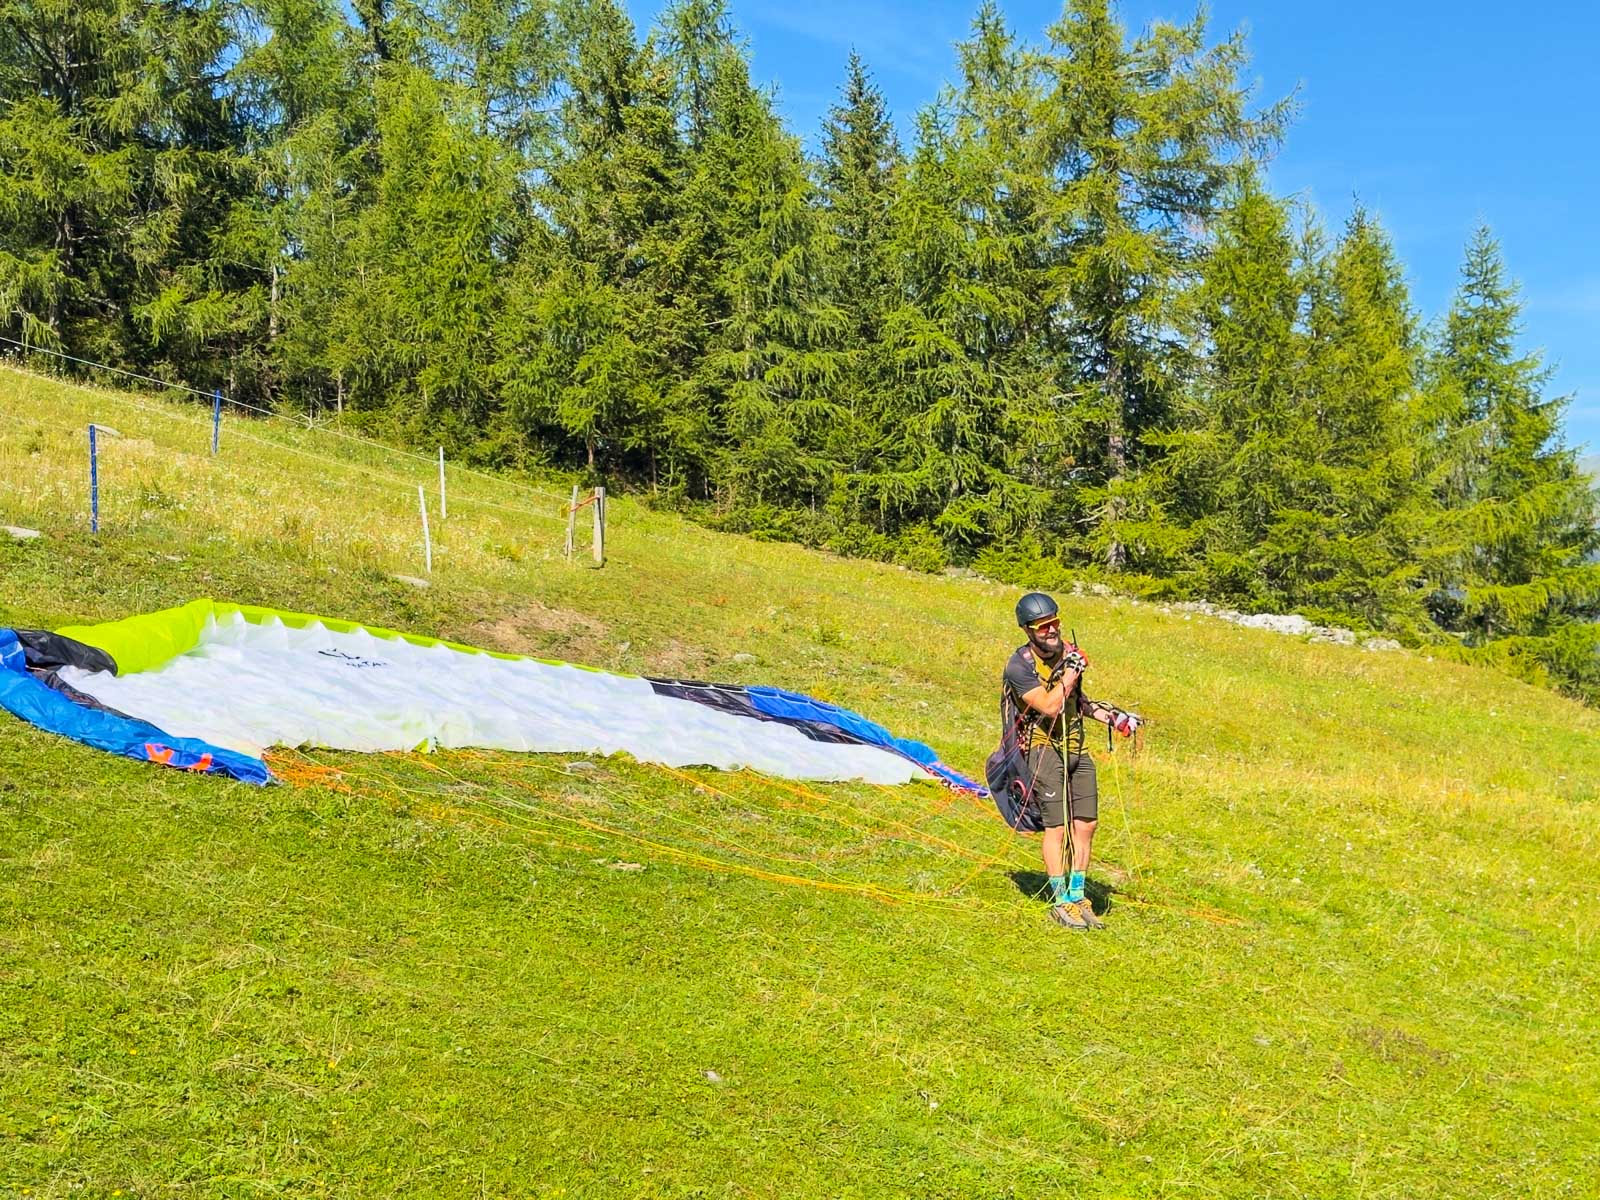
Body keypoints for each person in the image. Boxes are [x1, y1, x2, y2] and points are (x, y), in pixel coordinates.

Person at [1001, 592, 1141, 930]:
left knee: (1086, 824)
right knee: (1057, 827)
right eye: (1043, 626)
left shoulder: (1067, 655)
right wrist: (1071, 672)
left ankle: (1078, 894)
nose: (1051, 630)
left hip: (1076, 746)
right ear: (1028, 630)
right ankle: (1060, 899)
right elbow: (1050, 706)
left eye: (1055, 622)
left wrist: (1113, 718)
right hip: (1041, 748)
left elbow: (1076, 701)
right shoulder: (1019, 666)